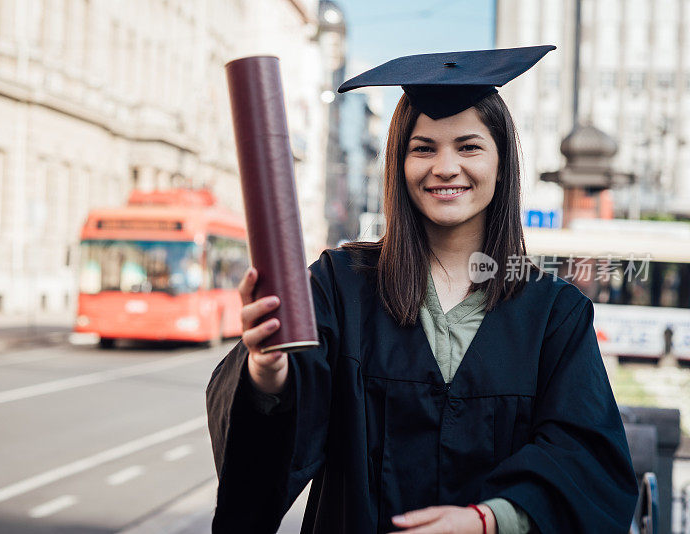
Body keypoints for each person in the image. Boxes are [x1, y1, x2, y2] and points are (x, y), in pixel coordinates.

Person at [206, 45, 638, 534]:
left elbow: (586, 461)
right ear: (398, 163)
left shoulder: (553, 312)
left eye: (469, 147)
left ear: (502, 164)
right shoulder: (338, 286)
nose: (446, 167)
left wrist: (489, 520)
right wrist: (266, 371)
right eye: (424, 148)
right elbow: (272, 450)